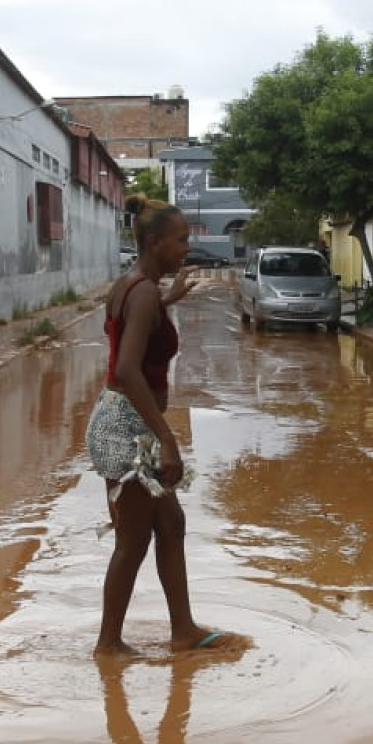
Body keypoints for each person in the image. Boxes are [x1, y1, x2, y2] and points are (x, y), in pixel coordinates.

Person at [86, 194, 240, 656]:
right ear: (153, 242)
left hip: (126, 419)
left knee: (169, 525)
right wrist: (167, 439)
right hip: (129, 425)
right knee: (132, 540)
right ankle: (108, 644)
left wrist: (166, 302)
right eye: (180, 240)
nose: (186, 249)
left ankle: (183, 631)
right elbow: (128, 369)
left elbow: (118, 337)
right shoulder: (144, 290)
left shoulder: (133, 285)